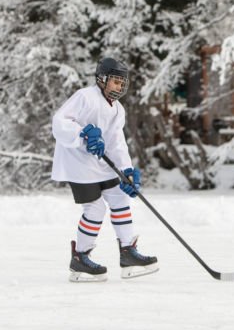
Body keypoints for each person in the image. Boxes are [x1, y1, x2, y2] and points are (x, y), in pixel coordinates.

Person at [51, 57, 158, 282]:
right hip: (77, 162)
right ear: (102, 79)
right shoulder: (85, 97)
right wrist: (83, 133)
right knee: (95, 208)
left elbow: (117, 142)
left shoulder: (118, 109)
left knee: (120, 196)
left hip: (100, 162)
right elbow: (60, 121)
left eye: (122, 83)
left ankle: (128, 252)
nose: (119, 87)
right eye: (115, 82)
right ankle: (80, 258)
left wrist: (127, 170)